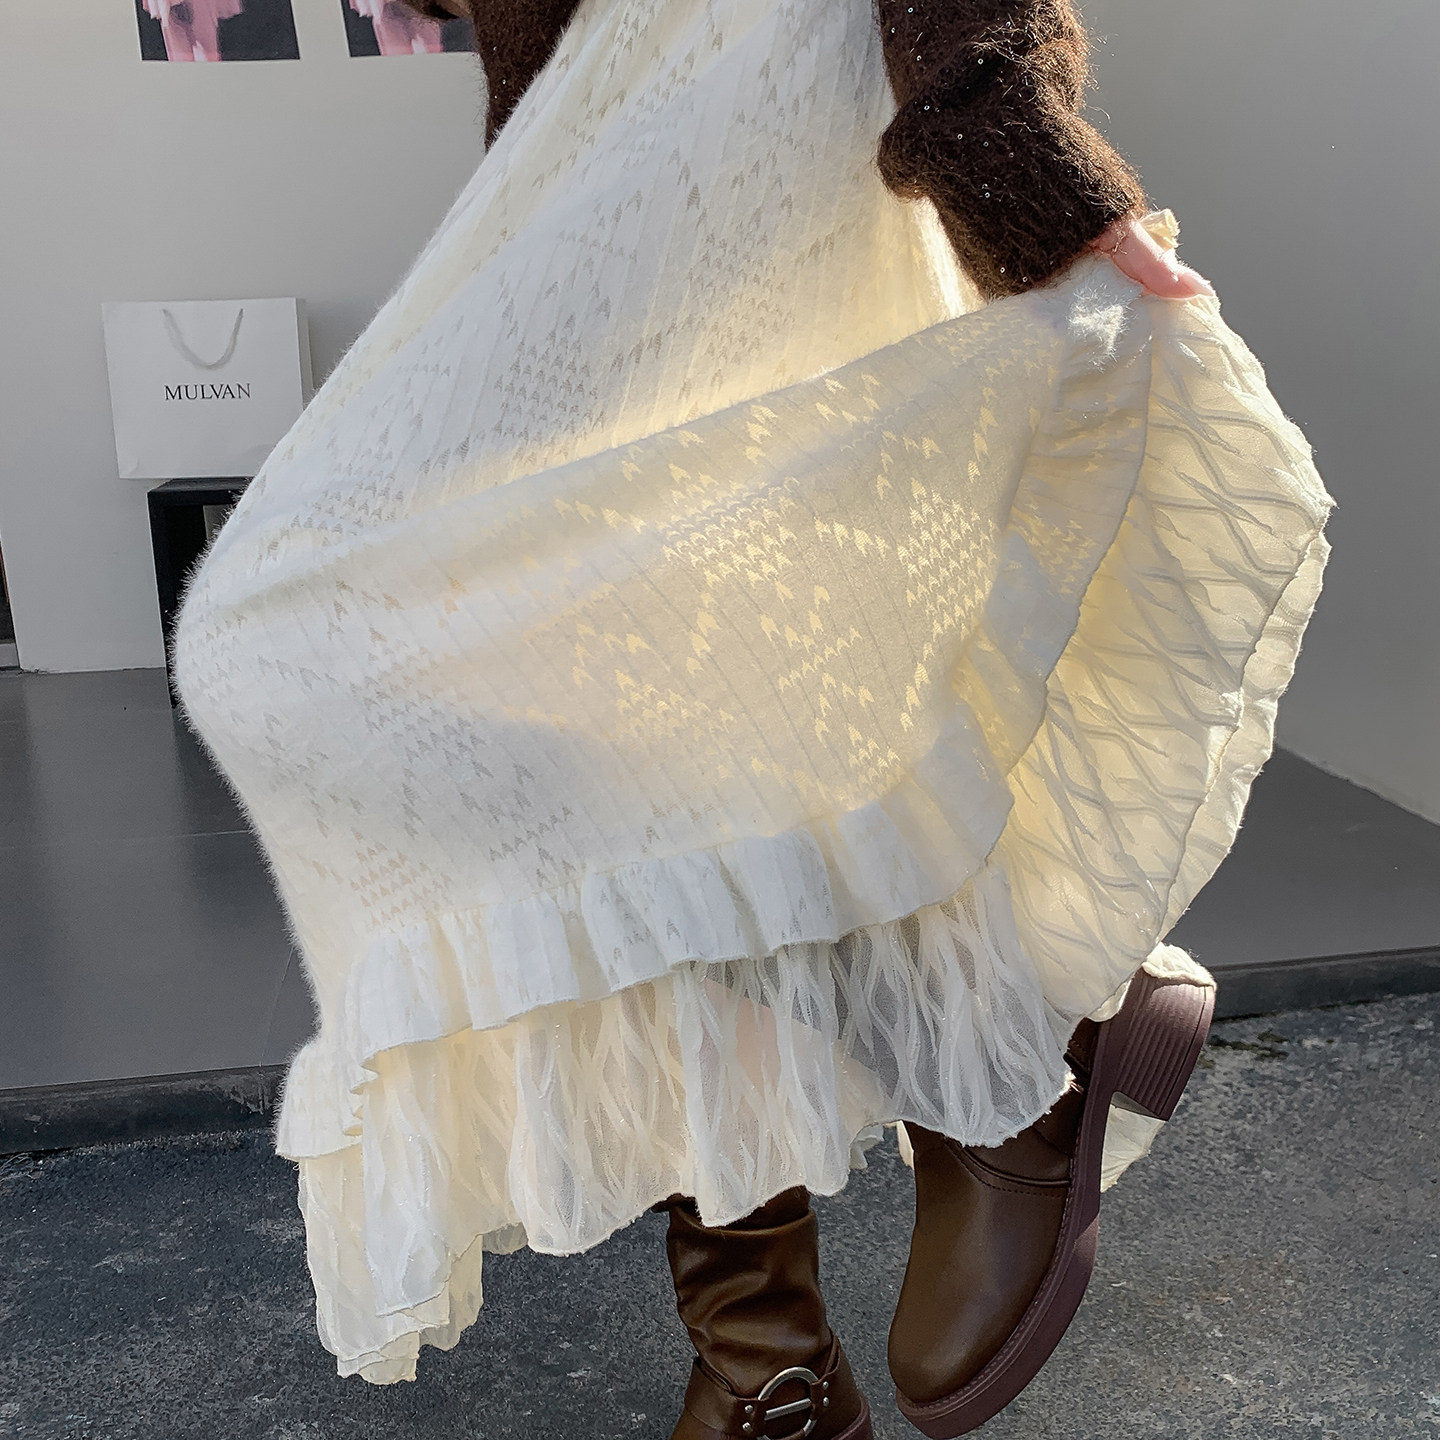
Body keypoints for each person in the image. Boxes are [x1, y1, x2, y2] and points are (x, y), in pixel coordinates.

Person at [170, 1, 1332, 1436]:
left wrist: (1004, 129)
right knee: (607, 776)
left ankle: (972, 1104)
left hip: (781, 170)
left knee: (386, 675)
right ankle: (785, 1335)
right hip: (592, 239)